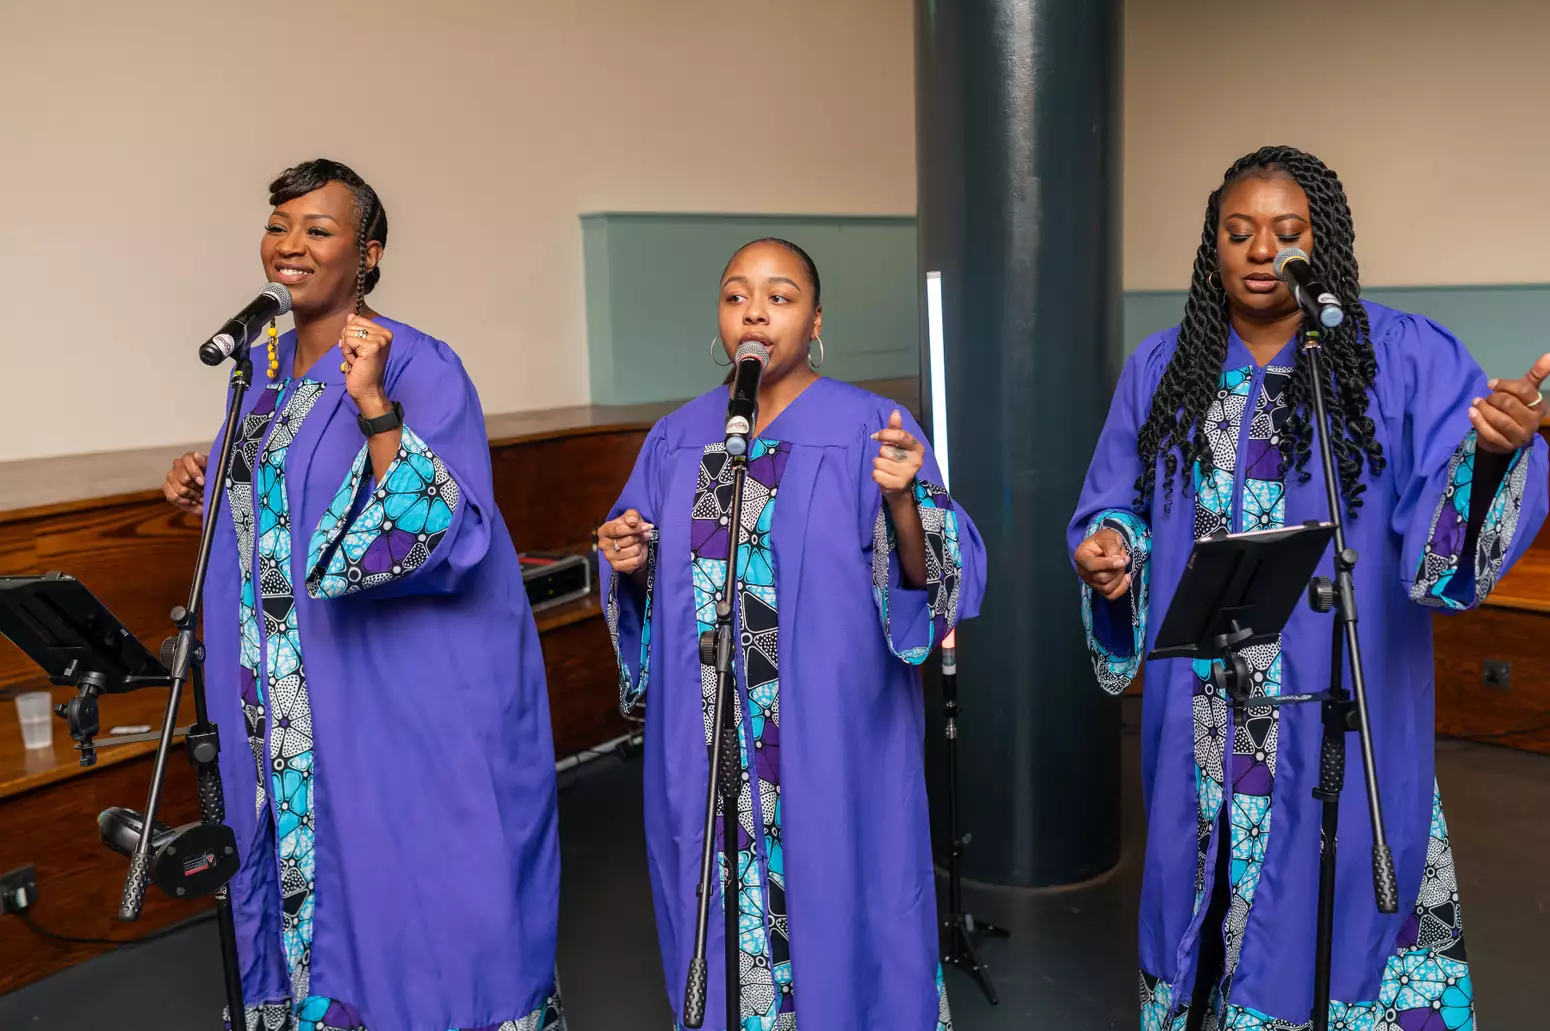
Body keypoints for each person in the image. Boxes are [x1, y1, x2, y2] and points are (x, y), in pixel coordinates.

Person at [1069, 144, 1550, 1030]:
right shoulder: (1164, 367)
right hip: (1204, 713)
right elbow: (1116, 502)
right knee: (1203, 901)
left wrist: (1490, 455)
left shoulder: (1397, 355)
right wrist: (1109, 551)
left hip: (1342, 696)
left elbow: (1442, 542)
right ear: (1211, 246)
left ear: (1318, 242)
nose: (1261, 250)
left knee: (1347, 896)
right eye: (1238, 231)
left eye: (1284, 233)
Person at [161, 159, 563, 1031]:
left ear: (368, 253)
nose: (290, 245)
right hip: (280, 700)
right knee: (305, 877)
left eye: (318, 229)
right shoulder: (259, 372)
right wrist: (210, 482)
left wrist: (375, 401)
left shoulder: (418, 361)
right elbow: (277, 521)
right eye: (279, 225)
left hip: (393, 694)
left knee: (414, 892)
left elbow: (444, 533)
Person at [596, 238, 984, 1030]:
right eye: (737, 295)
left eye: (780, 296)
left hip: (832, 736)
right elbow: (646, 579)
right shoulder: (676, 437)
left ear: (814, 321)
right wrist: (629, 556)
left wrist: (906, 502)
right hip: (707, 742)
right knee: (711, 899)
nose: (755, 312)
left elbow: (930, 582)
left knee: (844, 898)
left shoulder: (872, 425)